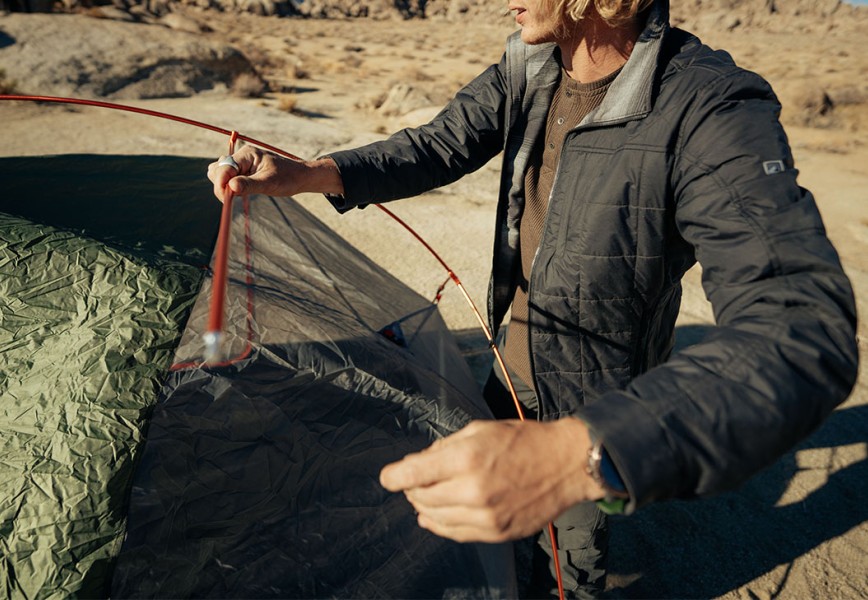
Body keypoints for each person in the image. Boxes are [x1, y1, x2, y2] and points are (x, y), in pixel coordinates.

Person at [208, 0, 858, 596]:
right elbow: (438, 145)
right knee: (492, 538)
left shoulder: (708, 105)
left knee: (567, 562)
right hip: (511, 356)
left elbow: (800, 326)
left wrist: (577, 456)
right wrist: (307, 174)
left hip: (596, 397)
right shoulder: (530, 63)